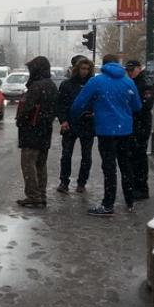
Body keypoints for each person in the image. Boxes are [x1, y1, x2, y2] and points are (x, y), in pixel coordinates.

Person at [71, 54, 141, 216]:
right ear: (118, 64)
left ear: (103, 65)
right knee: (125, 165)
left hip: (106, 131)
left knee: (109, 167)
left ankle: (108, 204)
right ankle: (130, 200)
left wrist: (76, 116)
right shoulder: (128, 81)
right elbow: (137, 106)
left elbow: (79, 103)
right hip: (125, 130)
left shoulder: (96, 81)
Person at [15, 56, 58, 208]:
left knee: (28, 164)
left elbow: (27, 108)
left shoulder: (36, 86)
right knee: (41, 164)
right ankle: (41, 194)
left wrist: (20, 120)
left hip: (32, 130)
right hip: (45, 130)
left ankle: (33, 195)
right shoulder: (51, 85)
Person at [55, 58, 95, 193]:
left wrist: (93, 113)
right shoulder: (67, 85)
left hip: (87, 124)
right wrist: (63, 120)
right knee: (66, 155)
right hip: (70, 124)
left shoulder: (93, 84)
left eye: (87, 69)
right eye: (82, 69)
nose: (84, 71)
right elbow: (60, 104)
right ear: (77, 69)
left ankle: (81, 183)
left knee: (86, 156)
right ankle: (64, 181)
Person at [125, 60, 154, 200]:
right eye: (128, 70)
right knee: (133, 156)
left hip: (141, 123)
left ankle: (141, 188)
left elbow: (146, 105)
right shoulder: (134, 81)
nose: (130, 72)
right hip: (134, 123)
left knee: (139, 156)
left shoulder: (145, 83)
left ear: (139, 68)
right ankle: (135, 186)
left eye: (132, 69)